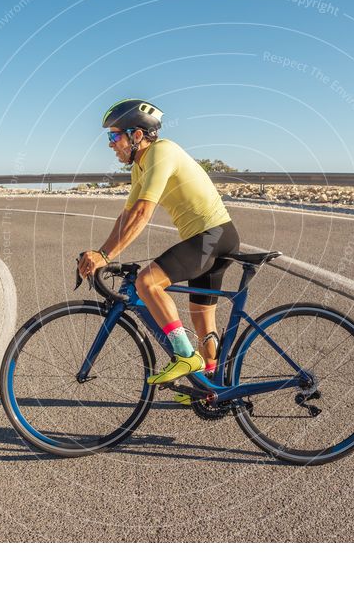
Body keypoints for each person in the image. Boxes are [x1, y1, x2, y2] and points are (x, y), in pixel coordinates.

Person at [78, 99, 240, 402]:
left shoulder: (161, 152)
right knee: (203, 322)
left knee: (147, 282)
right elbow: (126, 216)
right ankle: (211, 390)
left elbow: (142, 214)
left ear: (137, 135)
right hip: (215, 236)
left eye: (114, 137)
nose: (111, 145)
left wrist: (105, 256)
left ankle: (183, 356)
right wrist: (101, 252)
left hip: (211, 235)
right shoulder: (141, 166)